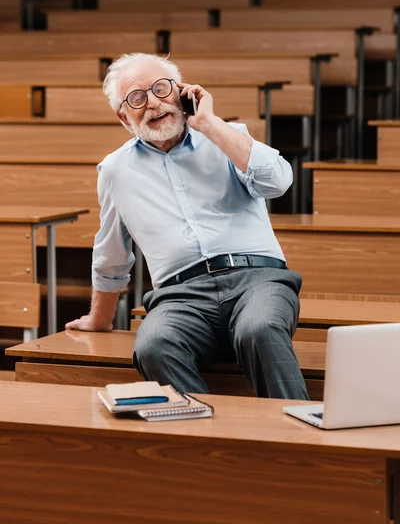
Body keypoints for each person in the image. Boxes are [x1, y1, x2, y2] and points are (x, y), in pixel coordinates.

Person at [66, 52, 308, 400]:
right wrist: (99, 318)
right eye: (137, 98)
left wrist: (209, 123)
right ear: (123, 116)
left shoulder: (227, 136)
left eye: (161, 89)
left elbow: (278, 182)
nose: (153, 103)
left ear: (182, 91)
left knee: (259, 329)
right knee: (154, 345)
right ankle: (212, 443)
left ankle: (296, 439)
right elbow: (112, 255)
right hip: (180, 298)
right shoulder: (116, 170)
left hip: (258, 280)